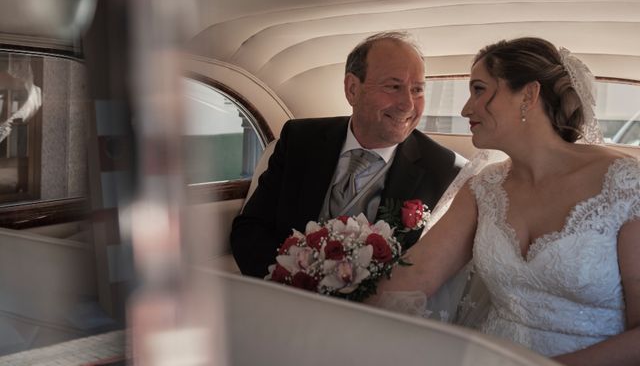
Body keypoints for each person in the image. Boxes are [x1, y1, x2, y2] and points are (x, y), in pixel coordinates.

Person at [371, 37, 640, 365]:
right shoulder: (483, 189)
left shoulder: (625, 184)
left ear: (529, 95)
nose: (466, 109)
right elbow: (415, 276)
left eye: (479, 89)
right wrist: (329, 314)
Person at [230, 31, 466, 278]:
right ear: (352, 89)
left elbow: (432, 270)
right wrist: (285, 279)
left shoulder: (445, 170)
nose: (408, 104)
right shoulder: (300, 139)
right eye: (393, 86)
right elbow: (250, 228)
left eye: (417, 90)